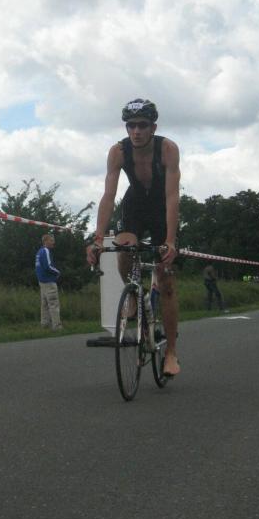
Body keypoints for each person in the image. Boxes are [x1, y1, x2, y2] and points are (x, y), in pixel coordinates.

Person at [86, 99, 181, 377]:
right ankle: (135, 295)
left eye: (142, 125)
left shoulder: (167, 149)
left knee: (166, 279)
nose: (136, 131)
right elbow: (109, 195)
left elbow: (172, 196)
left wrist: (170, 240)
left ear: (153, 127)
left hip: (162, 206)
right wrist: (98, 238)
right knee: (124, 248)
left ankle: (171, 352)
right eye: (131, 126)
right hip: (136, 204)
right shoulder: (118, 151)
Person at [35, 233, 63, 331]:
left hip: (41, 281)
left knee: (44, 304)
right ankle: (57, 326)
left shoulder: (39, 252)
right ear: (45, 241)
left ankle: (45, 324)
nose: (53, 242)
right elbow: (48, 266)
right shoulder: (46, 251)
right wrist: (57, 272)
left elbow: (38, 267)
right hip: (49, 281)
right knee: (53, 303)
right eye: (51, 240)